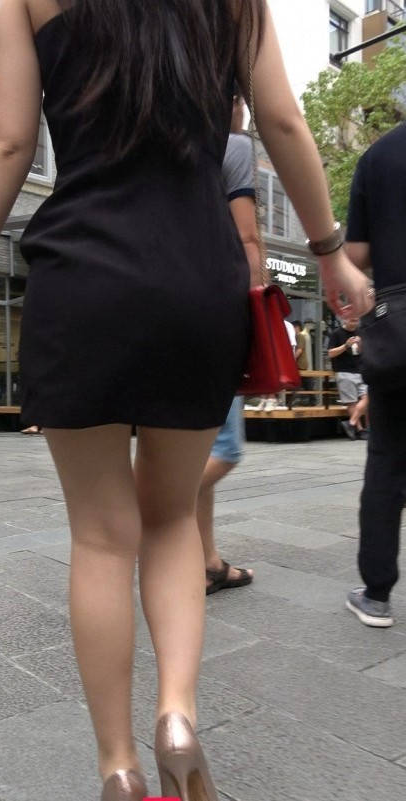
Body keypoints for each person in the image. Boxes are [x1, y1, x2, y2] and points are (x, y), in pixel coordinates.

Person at [0, 1, 372, 798]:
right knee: (169, 519)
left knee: (100, 538)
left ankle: (118, 766)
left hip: (80, 274)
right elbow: (281, 122)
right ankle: (177, 717)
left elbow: (8, 144)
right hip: (197, 279)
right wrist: (330, 254)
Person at [344, 122, 406, 628]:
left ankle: (377, 594)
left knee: (387, 459)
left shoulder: (380, 155)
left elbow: (357, 255)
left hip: (400, 327)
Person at [200, 94, 257, 595]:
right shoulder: (232, 143)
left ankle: (208, 562)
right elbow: (248, 237)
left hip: (146, 300)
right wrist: (257, 308)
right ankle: (149, 507)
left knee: (195, 445)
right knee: (227, 448)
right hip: (211, 307)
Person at [328, 318, 368, 440]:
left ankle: (351, 423)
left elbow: (363, 352)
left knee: (368, 397)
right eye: (352, 320)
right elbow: (330, 353)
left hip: (360, 370)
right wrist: (346, 345)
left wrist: (361, 345)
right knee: (352, 402)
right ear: (345, 320)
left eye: (356, 321)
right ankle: (359, 430)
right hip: (344, 371)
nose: (355, 322)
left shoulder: (360, 332)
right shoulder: (336, 333)